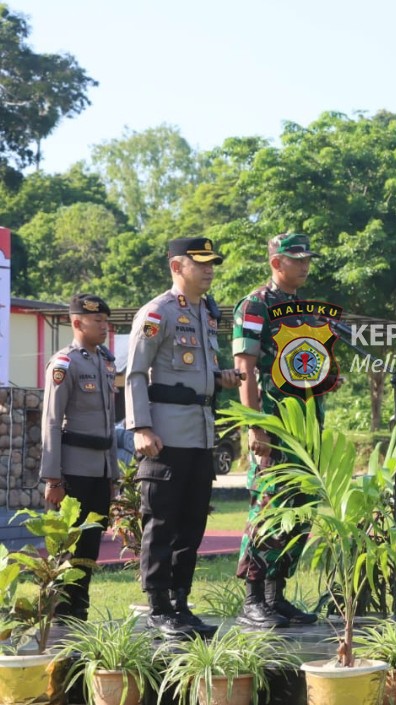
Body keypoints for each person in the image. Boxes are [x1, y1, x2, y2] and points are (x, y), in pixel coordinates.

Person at [126, 237, 242, 637]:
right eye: (202, 263)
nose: (210, 269)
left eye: (213, 263)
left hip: (200, 435)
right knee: (161, 522)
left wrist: (222, 378)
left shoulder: (206, 314)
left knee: (192, 525)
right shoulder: (158, 313)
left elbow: (197, 373)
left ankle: (180, 604)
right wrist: (140, 427)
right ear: (178, 267)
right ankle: (158, 607)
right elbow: (136, 374)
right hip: (165, 436)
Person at [233, 232, 330, 628]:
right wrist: (256, 427)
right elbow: (246, 369)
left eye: (308, 258)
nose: (305, 265)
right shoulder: (256, 305)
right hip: (274, 425)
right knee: (269, 509)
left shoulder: (305, 309)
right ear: (277, 263)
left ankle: (277, 596)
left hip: (307, 429)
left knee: (299, 512)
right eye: (297, 259)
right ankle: (253, 599)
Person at [40, 294, 118, 622]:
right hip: (73, 469)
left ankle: (79, 607)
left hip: (100, 469)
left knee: (90, 545)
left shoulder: (104, 361)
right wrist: (53, 479)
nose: (104, 326)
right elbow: (52, 421)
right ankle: (59, 611)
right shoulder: (65, 363)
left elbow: (110, 423)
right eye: (96, 321)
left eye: (105, 320)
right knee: (69, 545)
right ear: (77, 323)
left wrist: (112, 474)